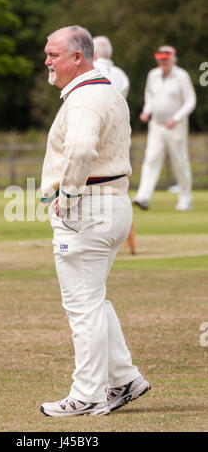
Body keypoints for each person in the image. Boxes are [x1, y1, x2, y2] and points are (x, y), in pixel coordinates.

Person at [40, 25, 150, 417]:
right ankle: (125, 378)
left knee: (81, 306)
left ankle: (86, 393)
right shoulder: (106, 90)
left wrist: (67, 196)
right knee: (93, 301)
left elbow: (82, 148)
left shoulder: (86, 98)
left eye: (54, 54)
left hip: (88, 209)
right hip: (112, 206)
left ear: (77, 58)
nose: (47, 61)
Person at [133, 45, 196, 211]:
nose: (163, 63)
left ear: (172, 59)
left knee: (179, 162)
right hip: (157, 125)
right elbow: (149, 96)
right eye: (160, 60)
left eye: (166, 60)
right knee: (151, 159)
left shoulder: (181, 76)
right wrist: (147, 111)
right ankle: (143, 196)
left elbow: (190, 101)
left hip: (176, 126)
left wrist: (176, 118)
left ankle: (185, 199)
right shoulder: (153, 75)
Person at [93, 35, 135, 255]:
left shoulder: (88, 72)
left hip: (93, 132)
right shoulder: (122, 76)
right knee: (117, 179)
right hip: (117, 136)